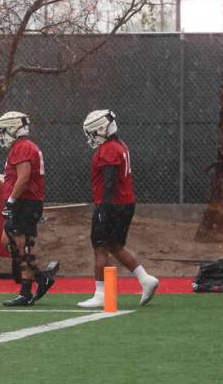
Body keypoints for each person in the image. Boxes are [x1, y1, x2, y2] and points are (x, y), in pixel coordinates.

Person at [77, 110, 159, 308]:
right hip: (125, 203)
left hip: (112, 204)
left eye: (92, 133)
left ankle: (101, 294)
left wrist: (104, 207)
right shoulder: (120, 146)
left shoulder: (108, 149)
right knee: (115, 246)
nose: (91, 138)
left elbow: (109, 180)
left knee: (100, 248)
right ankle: (145, 278)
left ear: (100, 129)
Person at [0, 112, 56, 307]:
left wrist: (12, 201)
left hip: (24, 203)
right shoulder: (24, 147)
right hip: (26, 203)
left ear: (13, 129)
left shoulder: (22, 147)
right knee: (9, 241)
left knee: (22, 247)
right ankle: (40, 278)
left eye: (4, 130)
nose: (2, 135)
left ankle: (26, 292)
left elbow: (24, 177)